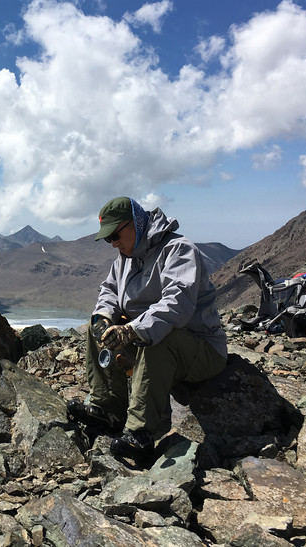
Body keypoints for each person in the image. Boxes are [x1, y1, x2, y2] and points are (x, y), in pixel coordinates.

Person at [68, 196, 227, 462]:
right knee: (98, 329)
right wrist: (105, 318)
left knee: (157, 338)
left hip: (202, 348)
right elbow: (109, 290)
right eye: (108, 239)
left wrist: (131, 331)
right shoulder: (124, 259)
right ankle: (108, 410)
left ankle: (140, 434)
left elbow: (177, 303)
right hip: (151, 339)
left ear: (136, 223)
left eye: (116, 235)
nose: (114, 243)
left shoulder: (178, 250)